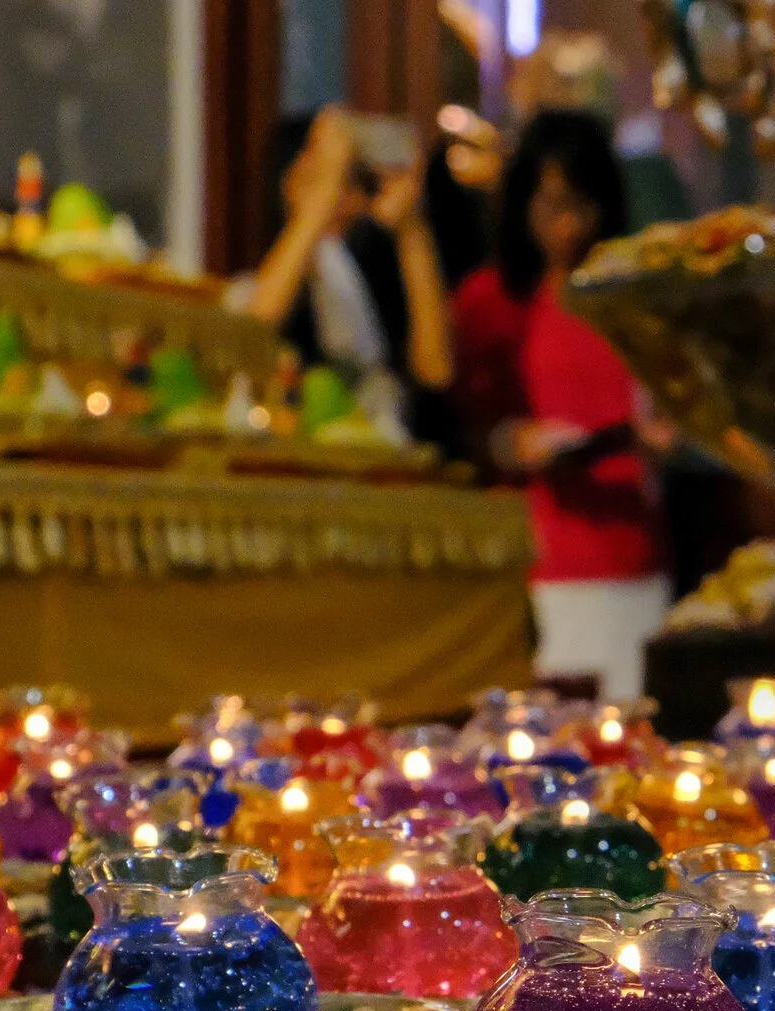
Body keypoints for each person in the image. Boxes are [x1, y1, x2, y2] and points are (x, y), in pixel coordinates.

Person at [452, 108, 670, 701]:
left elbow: (668, 412)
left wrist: (661, 438)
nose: (569, 226)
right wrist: (510, 442)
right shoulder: (494, 302)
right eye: (552, 206)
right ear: (522, 204)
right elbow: (458, 429)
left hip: (630, 553)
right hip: (535, 560)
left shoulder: (631, 301)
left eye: (583, 206)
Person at [230, 107, 453, 446]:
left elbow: (435, 370)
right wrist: (320, 199)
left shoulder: (366, 273)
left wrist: (411, 225)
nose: (341, 198)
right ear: (285, 182)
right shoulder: (258, 285)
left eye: (351, 183)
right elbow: (256, 328)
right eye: (320, 179)